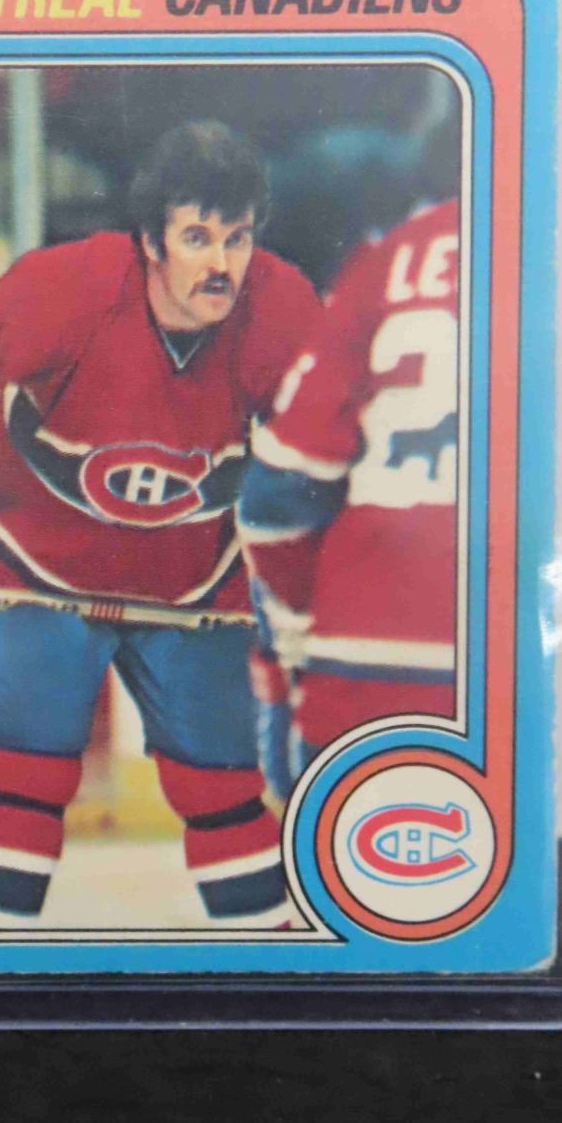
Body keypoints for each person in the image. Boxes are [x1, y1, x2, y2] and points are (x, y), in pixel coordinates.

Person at [0, 122, 320, 930]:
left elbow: (330, 455)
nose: (220, 264)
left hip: (189, 577)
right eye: (196, 237)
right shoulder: (63, 290)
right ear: (150, 241)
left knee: (223, 788)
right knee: (27, 779)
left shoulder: (281, 308)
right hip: (33, 565)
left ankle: (272, 975)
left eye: (236, 239)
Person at [238, 196, 460, 801]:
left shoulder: (395, 255)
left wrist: (293, 631)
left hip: (362, 663)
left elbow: (277, 495)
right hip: (536, 678)